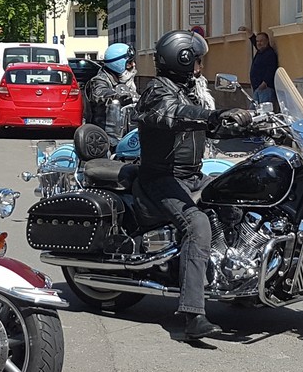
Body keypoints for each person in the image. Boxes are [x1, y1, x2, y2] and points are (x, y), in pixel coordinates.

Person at [136, 30, 256, 341]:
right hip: (161, 178)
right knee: (197, 224)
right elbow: (175, 116)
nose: (201, 66)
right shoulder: (157, 93)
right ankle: (193, 314)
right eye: (197, 60)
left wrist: (252, 124)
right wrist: (214, 115)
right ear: (183, 60)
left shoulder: (186, 90)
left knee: (238, 200)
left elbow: (206, 128)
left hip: (192, 175)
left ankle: (242, 284)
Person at [84, 42, 138, 144]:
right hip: (102, 140)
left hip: (125, 138)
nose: (133, 65)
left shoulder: (125, 80)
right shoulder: (99, 80)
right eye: (130, 62)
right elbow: (99, 93)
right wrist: (116, 95)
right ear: (118, 64)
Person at [248, 29, 279, 108]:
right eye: (257, 41)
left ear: (267, 41)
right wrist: (249, 32)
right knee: (254, 111)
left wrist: (264, 83)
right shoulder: (260, 51)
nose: (259, 43)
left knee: (264, 112)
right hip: (257, 87)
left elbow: (271, 69)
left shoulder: (269, 53)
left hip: (265, 88)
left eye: (261, 41)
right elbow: (255, 43)